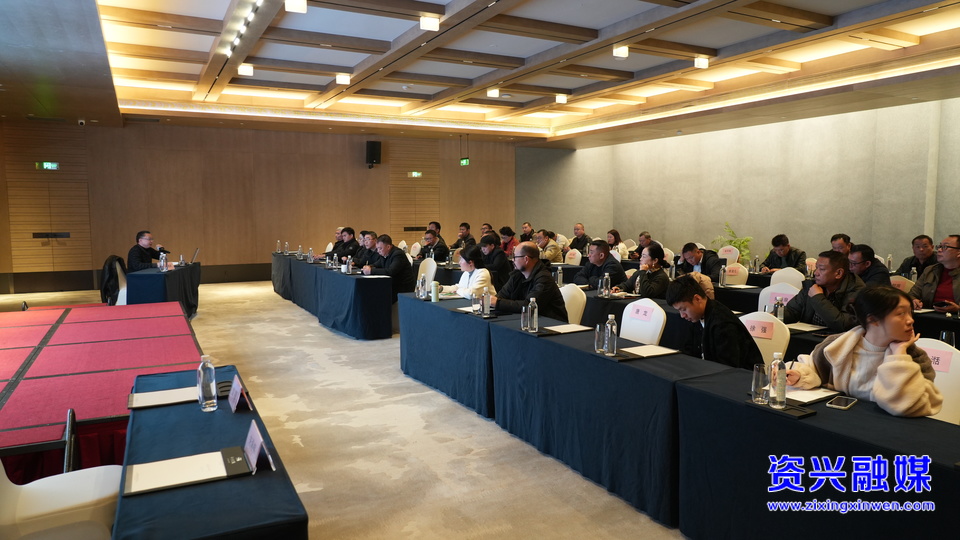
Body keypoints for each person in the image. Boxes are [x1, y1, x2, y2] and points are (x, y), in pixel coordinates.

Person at [786, 285, 942, 418]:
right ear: (872, 319)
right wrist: (798, 376)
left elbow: (911, 405)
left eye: (910, 312)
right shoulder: (836, 346)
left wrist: (899, 356)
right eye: (901, 314)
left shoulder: (914, 357)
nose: (910, 320)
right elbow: (813, 369)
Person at [666, 275, 762, 370]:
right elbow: (689, 350)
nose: (682, 315)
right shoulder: (697, 315)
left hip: (743, 376)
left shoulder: (723, 324)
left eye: (683, 309)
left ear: (697, 299)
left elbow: (727, 368)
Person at [783, 251, 864, 332]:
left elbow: (844, 324)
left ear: (838, 273)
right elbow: (792, 311)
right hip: (809, 335)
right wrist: (777, 316)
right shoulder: (813, 284)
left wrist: (818, 298)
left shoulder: (857, 290)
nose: (816, 273)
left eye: (821, 269)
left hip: (837, 338)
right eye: (816, 268)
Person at [491, 241, 567, 322]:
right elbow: (501, 295)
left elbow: (530, 305)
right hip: (529, 320)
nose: (512, 260)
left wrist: (498, 303)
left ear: (526, 259)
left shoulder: (544, 278)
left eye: (515, 257)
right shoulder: (517, 275)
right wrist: (494, 301)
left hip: (552, 323)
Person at [909, 235, 960, 313]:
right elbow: (912, 295)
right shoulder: (930, 270)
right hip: (930, 315)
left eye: (945, 247)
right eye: (939, 246)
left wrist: (958, 309)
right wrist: (914, 301)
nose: (939, 250)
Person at [362, 234, 415, 302]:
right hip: (392, 283)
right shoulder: (384, 253)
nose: (378, 251)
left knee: (375, 293)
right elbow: (377, 264)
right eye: (377, 248)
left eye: (380, 248)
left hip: (402, 287)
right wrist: (369, 266)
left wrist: (371, 271)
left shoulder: (398, 254)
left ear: (388, 247)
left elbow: (391, 271)